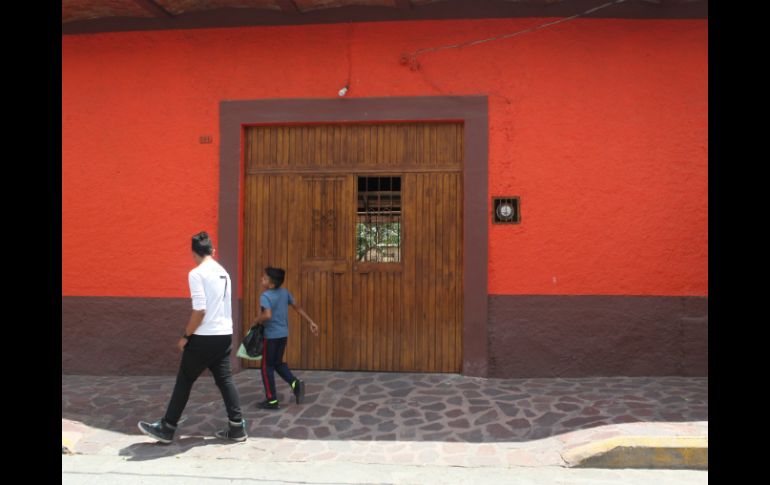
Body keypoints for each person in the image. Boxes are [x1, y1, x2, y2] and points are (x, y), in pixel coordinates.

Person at [138, 231, 247, 443]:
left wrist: (185, 336)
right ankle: (237, 427)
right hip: (224, 334)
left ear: (193, 253)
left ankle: (167, 427)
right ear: (212, 251)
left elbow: (200, 311)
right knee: (225, 380)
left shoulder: (196, 274)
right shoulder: (224, 272)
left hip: (204, 336)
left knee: (185, 380)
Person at [253, 267, 319, 409]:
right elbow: (298, 307)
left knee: (266, 367)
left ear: (271, 284)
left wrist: (256, 320)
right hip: (283, 335)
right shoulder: (284, 293)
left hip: (270, 337)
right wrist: (311, 322)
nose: (261, 279)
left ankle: (271, 400)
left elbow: (267, 315)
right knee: (277, 363)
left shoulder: (265, 296)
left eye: (264, 278)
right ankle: (295, 383)